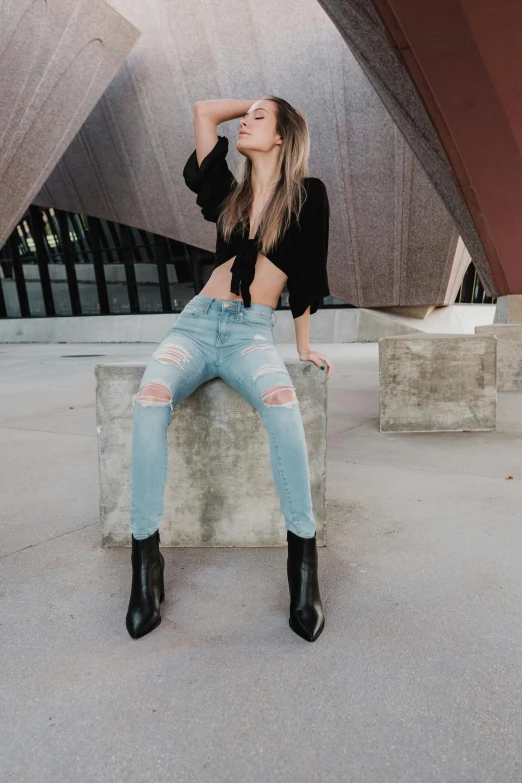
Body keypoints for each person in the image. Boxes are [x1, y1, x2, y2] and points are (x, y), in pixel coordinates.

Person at [126, 96, 334, 643]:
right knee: (149, 403)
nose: (245, 121)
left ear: (285, 136)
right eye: (247, 116)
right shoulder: (230, 195)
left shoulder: (309, 195)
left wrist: (305, 346)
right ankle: (145, 567)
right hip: (194, 328)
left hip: (250, 335)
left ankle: (304, 570)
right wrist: (257, 100)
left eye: (259, 119)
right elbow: (200, 112)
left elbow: (311, 271)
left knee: (284, 410)